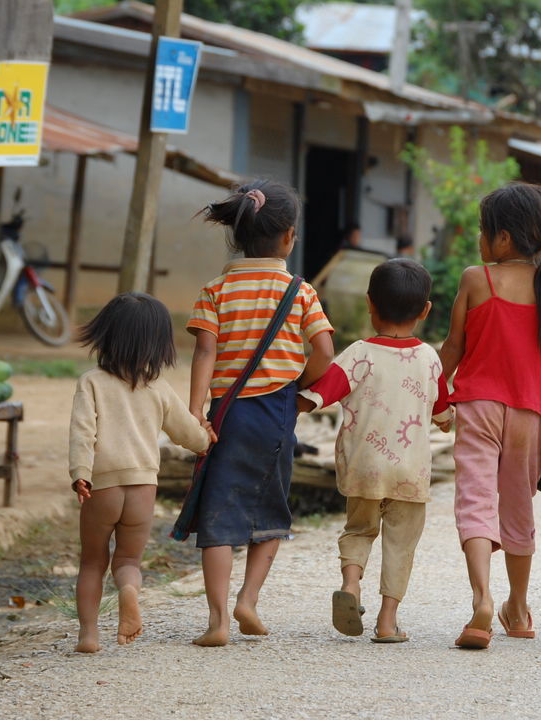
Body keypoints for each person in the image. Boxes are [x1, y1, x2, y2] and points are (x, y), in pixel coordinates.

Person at [186, 179, 334, 647]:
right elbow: (325, 353)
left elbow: (204, 354)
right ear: (290, 236)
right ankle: (248, 599)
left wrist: (196, 412)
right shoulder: (300, 291)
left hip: (226, 412)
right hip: (275, 412)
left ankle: (217, 622)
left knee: (218, 514)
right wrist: (299, 387)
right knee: (271, 510)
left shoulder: (215, 289)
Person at [438, 183, 541, 649]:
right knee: (518, 505)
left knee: (475, 501)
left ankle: (482, 601)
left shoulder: (478, 279)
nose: (478, 239)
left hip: (477, 406)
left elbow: (454, 346)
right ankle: (518, 605)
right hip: (529, 414)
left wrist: (436, 395)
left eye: (482, 230)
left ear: (505, 239)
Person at [298, 258, 453, 643]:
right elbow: (443, 412)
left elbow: (320, 393)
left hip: (364, 467)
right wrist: (449, 420)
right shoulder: (429, 358)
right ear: (425, 310)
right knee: (401, 542)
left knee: (359, 529)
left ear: (370, 303)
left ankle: (351, 586)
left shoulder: (358, 354)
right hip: (410, 473)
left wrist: (286, 404)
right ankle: (387, 621)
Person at [68, 293, 215, 653]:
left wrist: (80, 473)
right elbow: (189, 435)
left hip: (102, 486)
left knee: (92, 560)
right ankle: (129, 591)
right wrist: (204, 438)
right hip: (143, 487)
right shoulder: (159, 389)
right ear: (159, 345)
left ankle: (88, 635)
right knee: (129, 561)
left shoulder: (92, 383)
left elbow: (82, 432)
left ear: (105, 336)